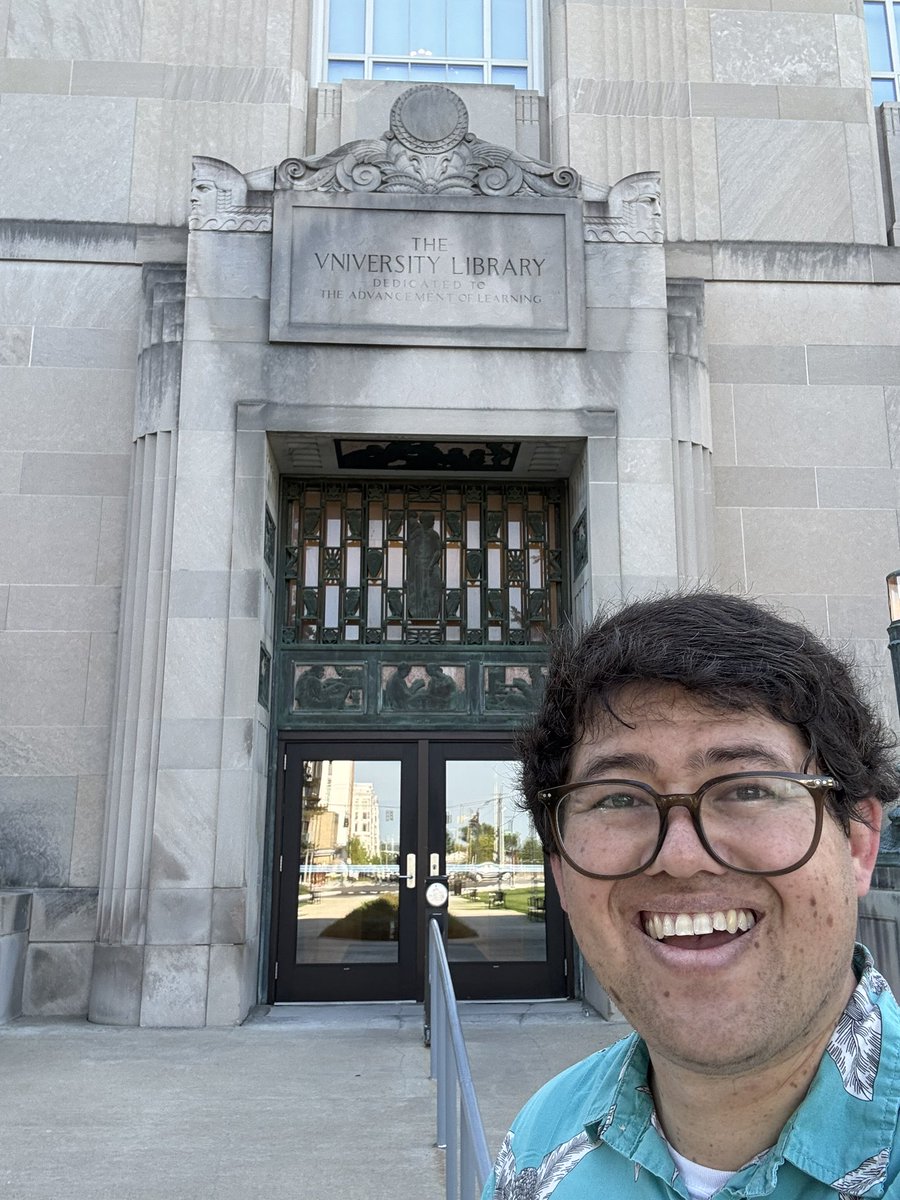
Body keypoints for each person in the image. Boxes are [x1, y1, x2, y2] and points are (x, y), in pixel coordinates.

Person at [483, 591, 900, 1200]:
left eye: (749, 789)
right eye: (619, 798)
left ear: (859, 844)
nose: (680, 858)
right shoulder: (543, 1141)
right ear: (561, 873)